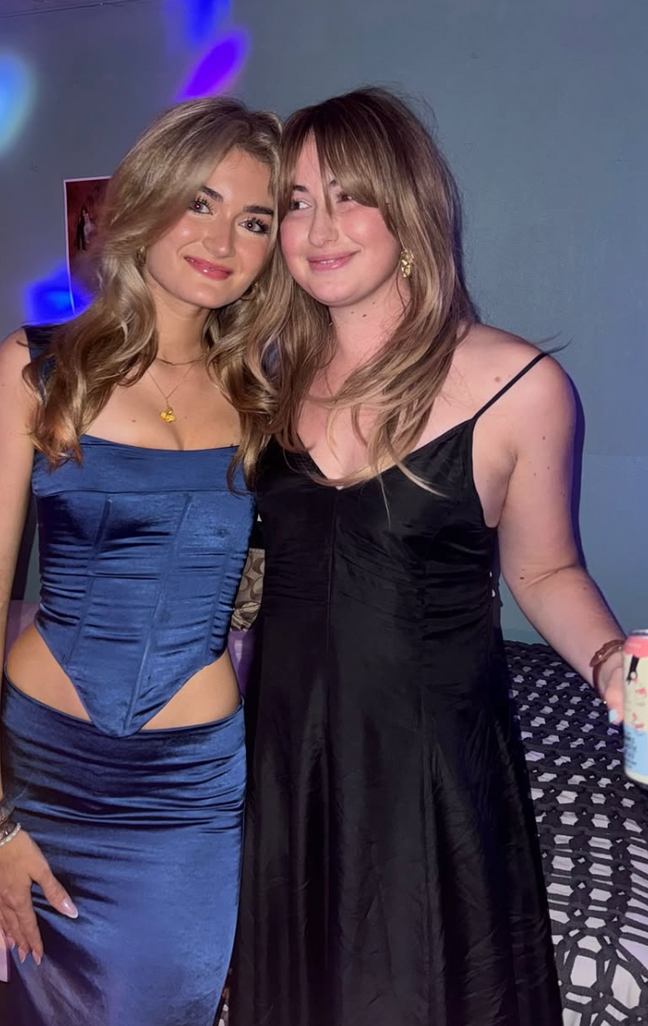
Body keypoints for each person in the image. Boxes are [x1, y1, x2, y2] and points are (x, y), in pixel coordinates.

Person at [230, 86, 626, 1026]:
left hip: (428, 763)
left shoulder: (519, 385)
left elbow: (544, 571)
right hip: (287, 754)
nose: (318, 228)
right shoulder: (264, 384)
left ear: (407, 209)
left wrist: (611, 657)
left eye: (349, 195)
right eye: (296, 202)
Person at [0, 96, 279, 1026]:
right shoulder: (37, 367)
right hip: (46, 768)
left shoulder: (267, 397)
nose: (224, 240)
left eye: (255, 220)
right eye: (200, 202)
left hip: (189, 790)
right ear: (149, 201)